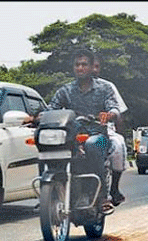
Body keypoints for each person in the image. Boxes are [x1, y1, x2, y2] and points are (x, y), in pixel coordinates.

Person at [26, 49, 121, 210]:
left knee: (92, 144)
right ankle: (46, 193)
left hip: (96, 134)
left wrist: (109, 114)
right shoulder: (66, 90)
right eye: (77, 65)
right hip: (71, 136)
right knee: (45, 144)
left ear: (92, 68)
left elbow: (115, 108)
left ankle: (102, 196)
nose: (80, 68)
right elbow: (52, 108)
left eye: (84, 64)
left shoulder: (105, 88)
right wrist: (36, 117)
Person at [92, 53, 127, 206]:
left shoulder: (107, 87)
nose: (93, 70)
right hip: (78, 131)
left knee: (118, 146)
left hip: (104, 131)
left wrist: (120, 134)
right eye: (89, 66)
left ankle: (114, 189)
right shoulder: (70, 88)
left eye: (96, 66)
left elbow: (118, 113)